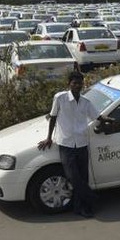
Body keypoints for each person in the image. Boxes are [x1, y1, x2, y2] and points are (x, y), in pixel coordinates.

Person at [37, 72, 110, 218]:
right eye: (74, 83)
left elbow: (98, 117)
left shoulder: (86, 102)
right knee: (72, 176)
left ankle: (82, 208)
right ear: (69, 84)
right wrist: (48, 137)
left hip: (82, 144)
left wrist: (108, 121)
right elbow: (53, 117)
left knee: (83, 177)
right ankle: (92, 197)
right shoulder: (60, 98)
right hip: (66, 144)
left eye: (79, 83)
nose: (77, 86)